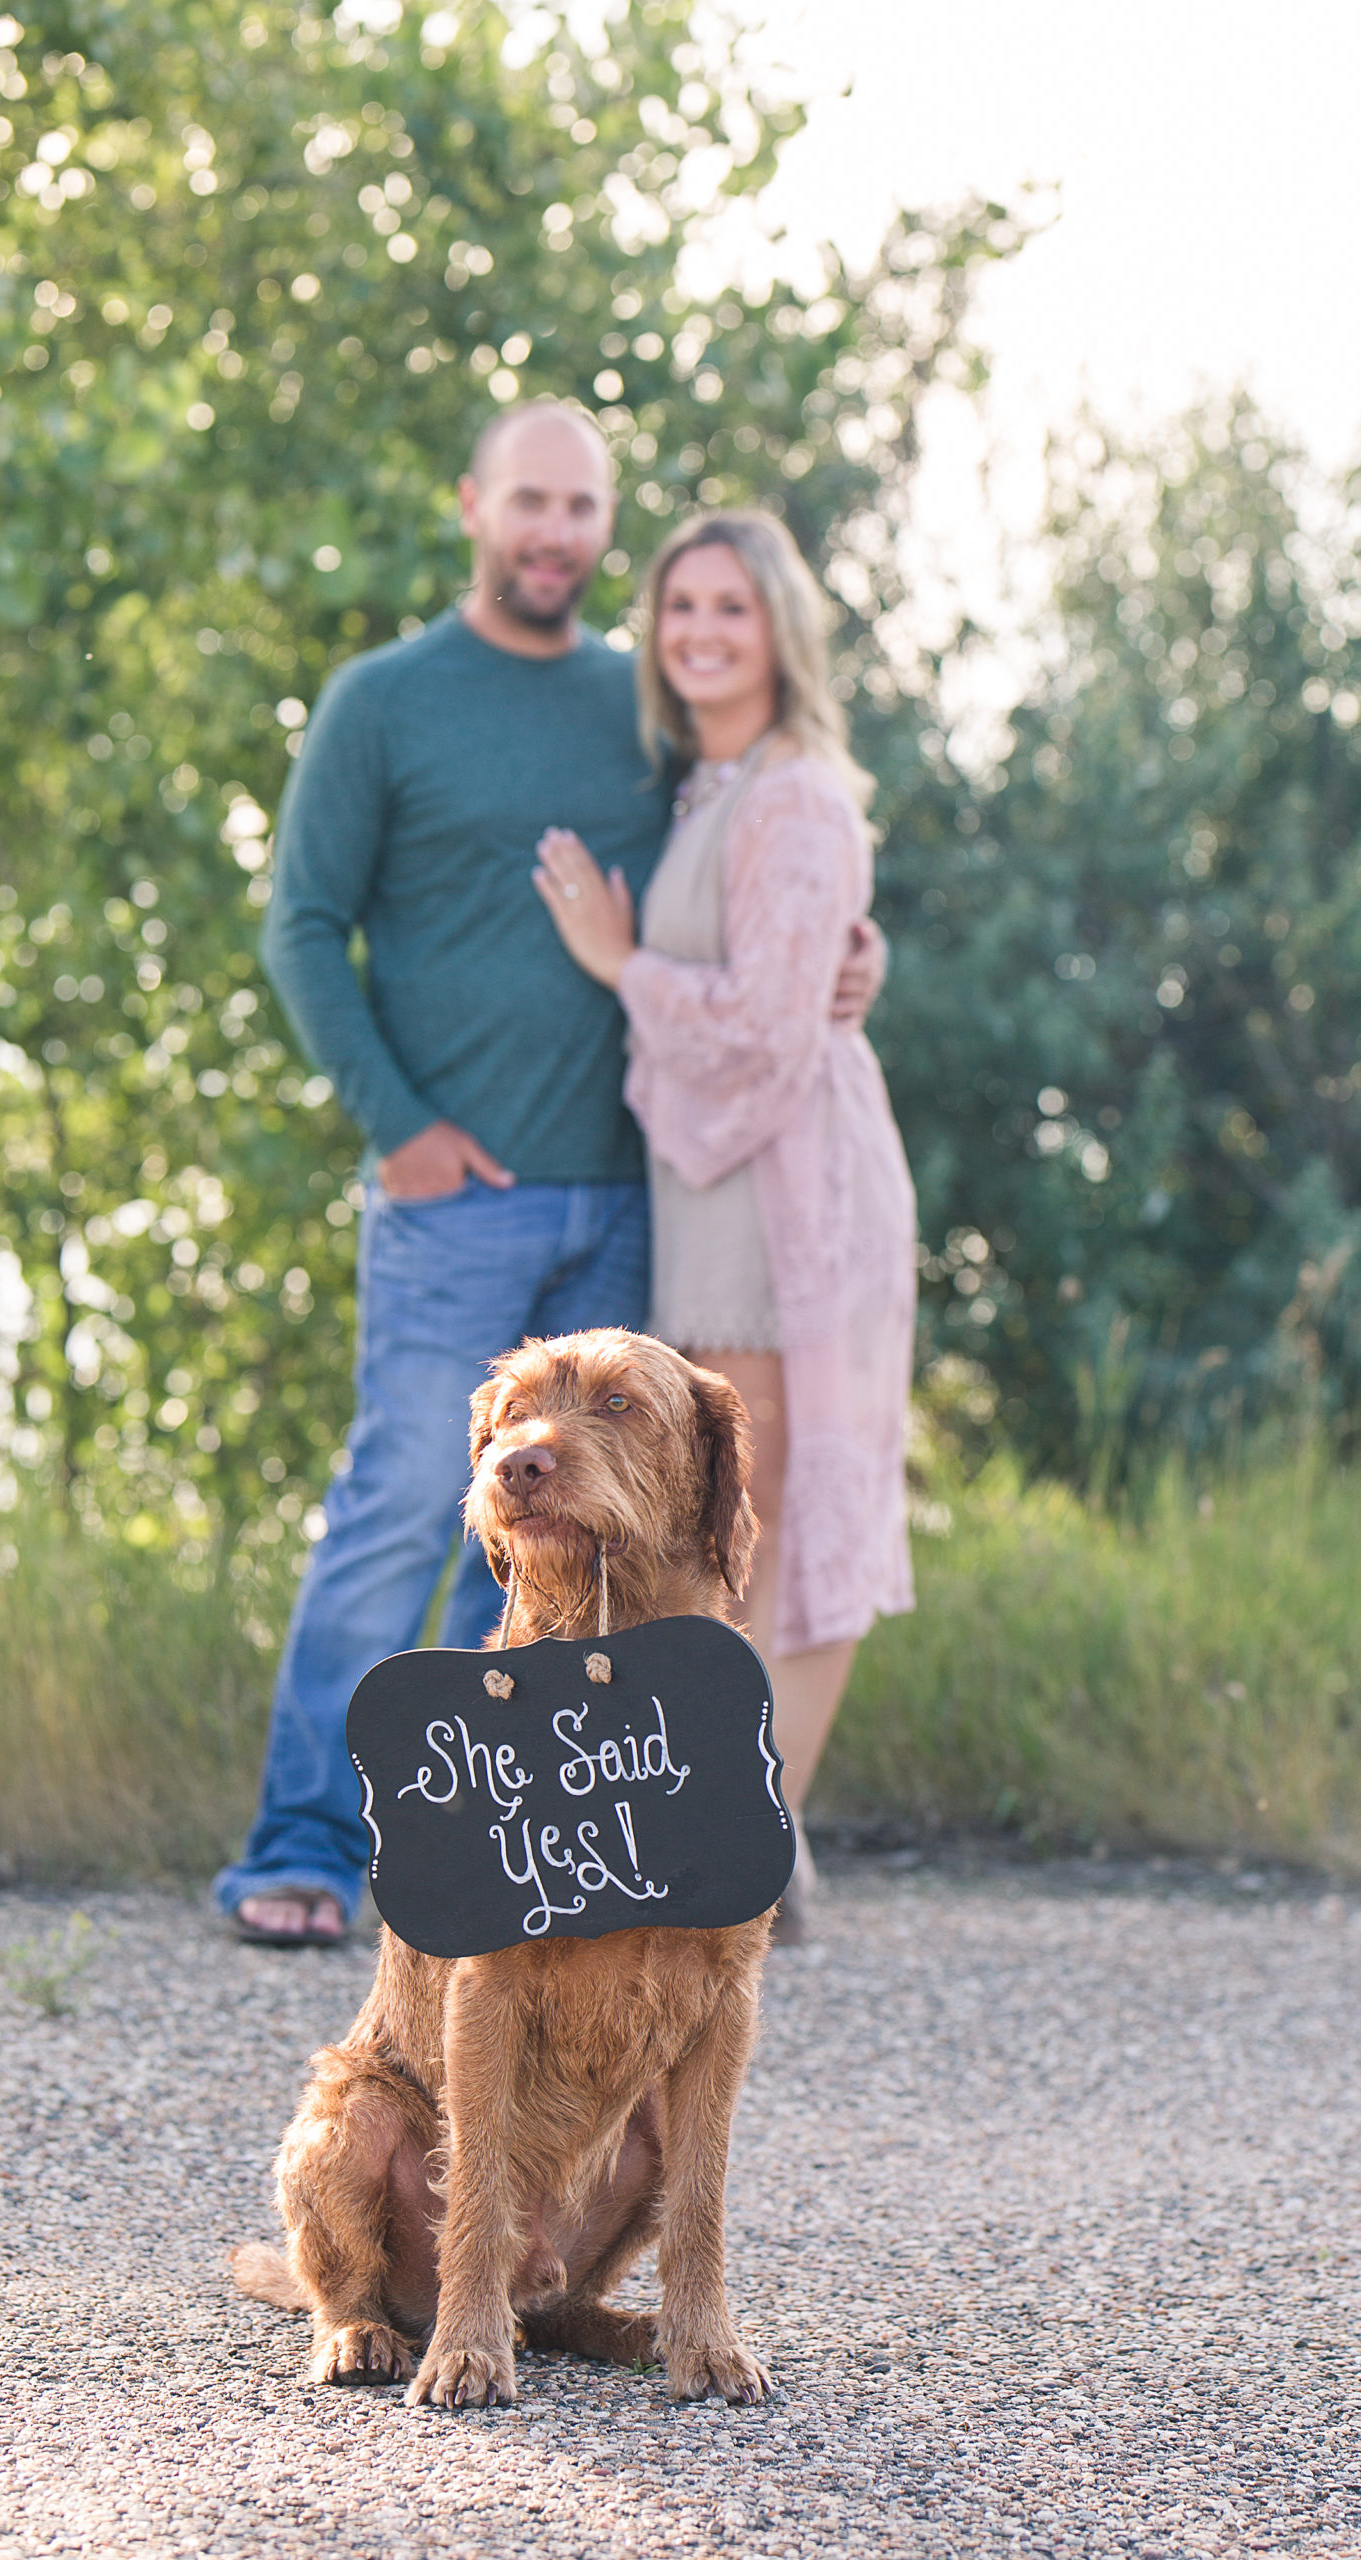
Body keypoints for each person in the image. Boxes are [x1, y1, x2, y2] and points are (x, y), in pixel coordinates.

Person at [214, 408, 884, 1945]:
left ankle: (465, 1857)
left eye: (581, 509)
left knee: (556, 1544)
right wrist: (399, 1129)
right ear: (473, 507)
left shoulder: (641, 705)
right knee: (401, 1502)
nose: (554, 532)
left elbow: (767, 843)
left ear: (603, 527)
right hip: (456, 1198)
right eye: (529, 501)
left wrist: (858, 950)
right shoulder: (383, 701)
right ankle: (298, 1847)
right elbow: (303, 927)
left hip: (637, 1195)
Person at [533, 509, 918, 1941]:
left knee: (778, 1515)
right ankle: (733, 1841)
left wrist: (623, 964)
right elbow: (787, 971)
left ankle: (756, 1852)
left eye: (731, 609)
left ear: (780, 632)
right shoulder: (712, 787)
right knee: (717, 1522)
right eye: (680, 605)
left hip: (790, 1191)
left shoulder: (796, 794)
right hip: (710, 1188)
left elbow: (768, 1027)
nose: (701, 631)